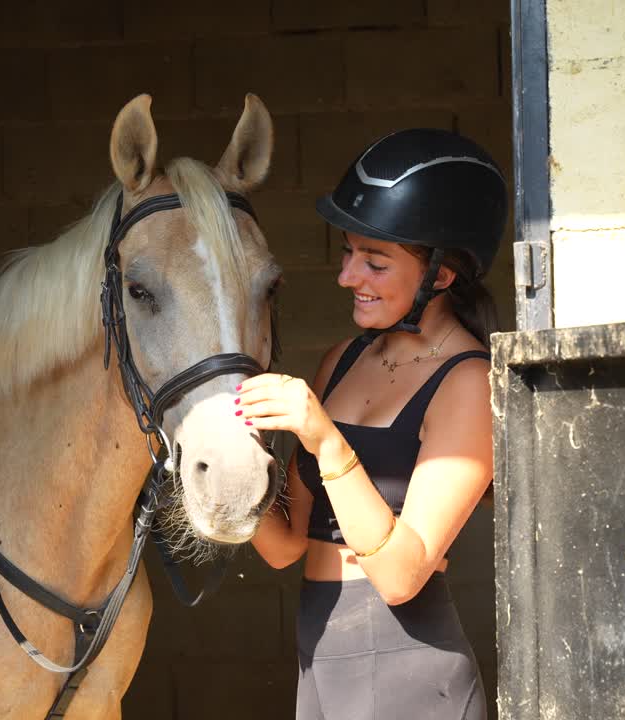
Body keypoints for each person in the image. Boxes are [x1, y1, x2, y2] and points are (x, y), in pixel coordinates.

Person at [238, 129, 505, 720]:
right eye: (348, 253)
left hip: (410, 668)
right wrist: (228, 453)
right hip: (322, 658)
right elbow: (284, 546)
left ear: (440, 275)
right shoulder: (343, 361)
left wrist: (325, 440)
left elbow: (400, 575)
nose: (347, 276)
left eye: (374, 262)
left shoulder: (468, 383)